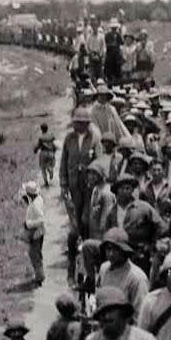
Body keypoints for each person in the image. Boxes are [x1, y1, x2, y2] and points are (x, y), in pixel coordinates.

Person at [60, 108, 99, 285]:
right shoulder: (69, 138)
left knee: (86, 221)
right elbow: (63, 162)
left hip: (89, 187)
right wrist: (63, 184)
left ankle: (88, 259)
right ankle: (72, 261)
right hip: (74, 187)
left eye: (82, 122)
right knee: (75, 225)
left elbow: (98, 162)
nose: (79, 125)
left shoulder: (94, 139)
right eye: (76, 122)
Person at [104, 173, 168, 277]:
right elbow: (107, 232)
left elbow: (162, 227)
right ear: (116, 191)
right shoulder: (112, 211)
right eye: (122, 188)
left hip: (138, 253)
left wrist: (152, 243)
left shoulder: (143, 207)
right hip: (118, 253)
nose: (125, 191)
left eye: (128, 188)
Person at [96, 227, 150, 320]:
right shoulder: (104, 268)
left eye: (116, 249)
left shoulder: (137, 277)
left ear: (124, 250)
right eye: (108, 249)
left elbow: (141, 315)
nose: (111, 254)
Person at [19, 181, 46, 287]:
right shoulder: (37, 200)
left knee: (34, 254)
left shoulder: (35, 205)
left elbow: (41, 220)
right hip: (38, 232)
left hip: (36, 233)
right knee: (35, 253)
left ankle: (40, 277)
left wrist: (28, 224)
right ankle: (39, 274)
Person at [85, 160, 116, 242]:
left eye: (94, 174)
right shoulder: (96, 189)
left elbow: (105, 223)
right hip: (94, 234)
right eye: (89, 173)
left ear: (101, 175)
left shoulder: (106, 193)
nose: (90, 176)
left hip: (102, 238)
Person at [34, 123, 57, 188]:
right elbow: (55, 144)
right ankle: (50, 170)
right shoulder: (52, 136)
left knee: (43, 168)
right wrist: (54, 151)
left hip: (43, 153)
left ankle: (46, 182)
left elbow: (38, 146)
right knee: (51, 165)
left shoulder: (41, 137)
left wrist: (35, 150)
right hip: (50, 153)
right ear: (47, 128)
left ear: (41, 129)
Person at [104, 19, 123, 84]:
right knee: (109, 73)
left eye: (115, 28)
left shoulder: (118, 35)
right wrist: (111, 45)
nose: (114, 29)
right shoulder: (107, 35)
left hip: (117, 57)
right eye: (113, 28)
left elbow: (122, 43)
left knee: (117, 73)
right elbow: (105, 45)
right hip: (110, 57)